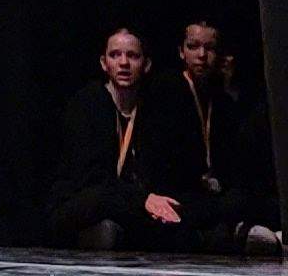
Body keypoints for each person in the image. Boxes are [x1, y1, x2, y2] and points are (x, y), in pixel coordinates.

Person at [49, 27, 203, 250]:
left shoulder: (152, 111)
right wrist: (142, 199)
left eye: (132, 56)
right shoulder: (87, 104)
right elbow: (90, 180)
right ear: (104, 63)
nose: (123, 63)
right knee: (102, 200)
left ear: (146, 64)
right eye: (115, 55)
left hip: (128, 203)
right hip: (84, 201)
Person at [177, 19, 281, 249]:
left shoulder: (221, 101)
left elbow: (238, 158)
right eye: (193, 47)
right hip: (185, 192)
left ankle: (240, 230)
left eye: (210, 48)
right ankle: (236, 231)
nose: (202, 55)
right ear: (181, 52)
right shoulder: (167, 93)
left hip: (218, 193)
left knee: (252, 200)